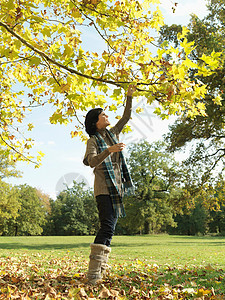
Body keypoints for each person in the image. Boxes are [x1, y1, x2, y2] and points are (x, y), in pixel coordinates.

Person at [83, 84, 136, 284]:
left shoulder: (113, 133)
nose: (107, 116)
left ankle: (97, 272)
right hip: (103, 190)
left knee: (109, 228)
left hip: (116, 189)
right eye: (103, 115)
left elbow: (126, 117)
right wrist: (110, 150)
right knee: (107, 227)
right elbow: (92, 162)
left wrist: (129, 96)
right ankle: (93, 275)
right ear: (96, 122)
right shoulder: (93, 141)